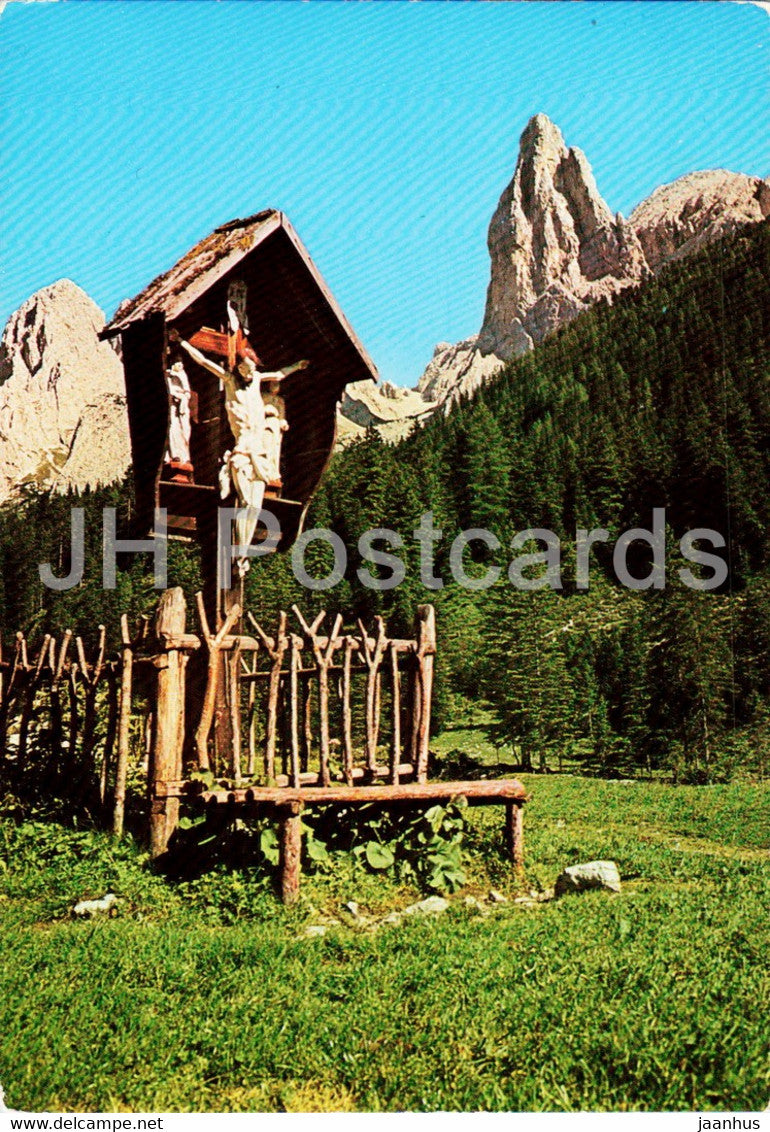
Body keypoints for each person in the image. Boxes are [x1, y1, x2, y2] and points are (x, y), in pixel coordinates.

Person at [169, 328, 308, 575]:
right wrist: (181, 341)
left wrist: (297, 366)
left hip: (261, 458)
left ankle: (242, 554)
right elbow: (202, 361)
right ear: (238, 369)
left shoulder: (256, 381)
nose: (251, 372)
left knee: (254, 507)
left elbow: (278, 373)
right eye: (246, 368)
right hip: (243, 455)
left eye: (253, 368)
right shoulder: (230, 382)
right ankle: (239, 555)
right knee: (244, 504)